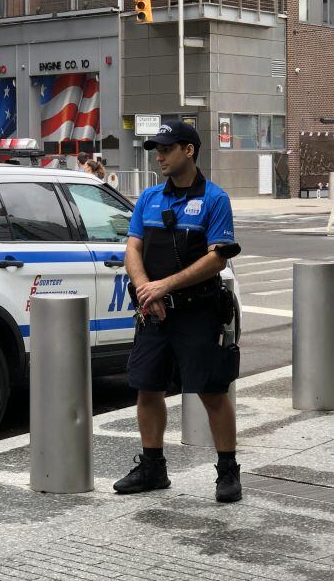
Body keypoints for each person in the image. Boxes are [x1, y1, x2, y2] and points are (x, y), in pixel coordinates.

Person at [113, 121, 243, 503]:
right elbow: (132, 249)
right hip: (154, 312)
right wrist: (144, 289)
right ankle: (153, 467)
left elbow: (217, 259)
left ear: (189, 150)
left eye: (167, 149)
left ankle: (228, 470)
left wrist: (165, 285)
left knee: (212, 390)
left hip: (198, 312)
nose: (160, 156)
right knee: (146, 388)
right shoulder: (149, 198)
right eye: (158, 149)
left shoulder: (215, 199)